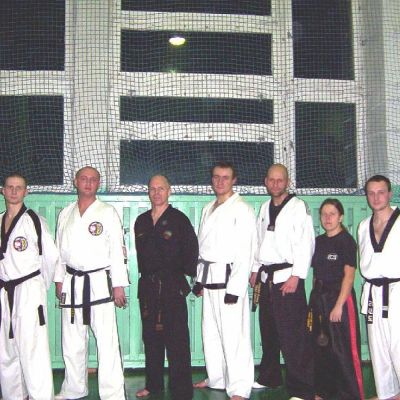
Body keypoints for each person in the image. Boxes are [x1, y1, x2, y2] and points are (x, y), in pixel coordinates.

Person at [54, 166, 129, 400]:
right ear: (75, 181)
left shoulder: (107, 212)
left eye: (93, 179)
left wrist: (119, 285)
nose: (88, 183)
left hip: (99, 282)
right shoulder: (65, 213)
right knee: (72, 340)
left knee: (107, 341)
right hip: (71, 282)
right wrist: (59, 280)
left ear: (98, 183)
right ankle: (74, 388)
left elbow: (117, 250)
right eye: (84, 179)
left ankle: (113, 394)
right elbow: (59, 251)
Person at [250, 163, 315, 400]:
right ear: (266, 181)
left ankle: (302, 389)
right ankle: (270, 376)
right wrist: (255, 269)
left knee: (293, 335)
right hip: (266, 277)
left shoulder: (298, 207)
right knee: (269, 331)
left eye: (280, 180)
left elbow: (306, 242)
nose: (275, 184)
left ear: (287, 182)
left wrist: (297, 275)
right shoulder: (264, 207)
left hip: (288, 277)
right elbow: (258, 241)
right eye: (272, 179)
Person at [192, 161, 256, 400]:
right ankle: (217, 378)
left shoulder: (242, 209)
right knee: (211, 333)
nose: (220, 181)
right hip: (209, 278)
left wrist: (236, 288)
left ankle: (239, 387)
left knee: (234, 336)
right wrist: (199, 280)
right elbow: (202, 248)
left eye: (225, 177)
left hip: (229, 280)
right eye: (216, 177)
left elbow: (246, 250)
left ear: (234, 180)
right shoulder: (208, 207)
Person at [134, 175, 198, 399]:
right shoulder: (141, 221)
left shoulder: (179, 220)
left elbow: (192, 251)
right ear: (148, 192)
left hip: (172, 285)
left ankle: (181, 390)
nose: (156, 193)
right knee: (151, 338)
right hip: (148, 286)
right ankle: (153, 385)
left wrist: (183, 276)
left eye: (161, 188)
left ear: (169, 191)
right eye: (152, 189)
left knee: (177, 340)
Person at [0, 172, 59, 400]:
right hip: (5, 291)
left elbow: (51, 258)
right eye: (10, 187)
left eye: (19, 187)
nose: (14, 191)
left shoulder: (34, 220)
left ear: (26, 191)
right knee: (6, 350)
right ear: (2, 190)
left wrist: (38, 285)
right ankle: (13, 396)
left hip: (29, 290)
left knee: (33, 349)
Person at [309, 198, 364, 400]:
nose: (327, 218)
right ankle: (323, 391)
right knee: (321, 346)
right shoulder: (319, 241)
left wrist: (339, 305)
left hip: (339, 298)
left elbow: (349, 276)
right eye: (324, 214)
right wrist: (315, 302)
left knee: (343, 349)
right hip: (319, 298)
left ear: (340, 217)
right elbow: (316, 274)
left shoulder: (346, 241)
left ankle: (350, 395)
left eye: (332, 214)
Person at [358, 175, 400, 400]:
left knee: (398, 346)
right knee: (378, 348)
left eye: (381, 192)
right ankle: (388, 394)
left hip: (398, 289)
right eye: (371, 193)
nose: (376, 197)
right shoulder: (363, 226)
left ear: (390, 194)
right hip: (374, 291)